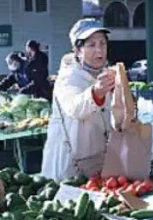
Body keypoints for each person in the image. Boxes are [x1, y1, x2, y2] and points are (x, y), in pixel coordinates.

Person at [41, 19, 115, 181]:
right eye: (91, 45)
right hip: (70, 166)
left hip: (98, 162)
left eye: (102, 43)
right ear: (77, 50)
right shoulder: (68, 77)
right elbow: (75, 108)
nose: (99, 50)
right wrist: (97, 92)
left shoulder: (107, 74)